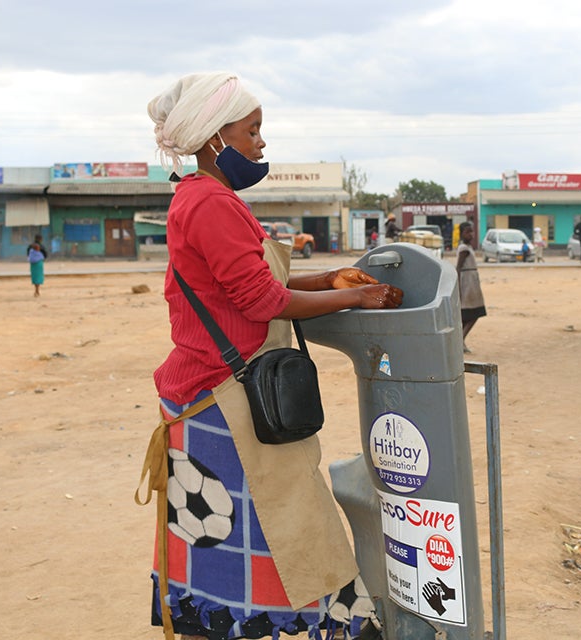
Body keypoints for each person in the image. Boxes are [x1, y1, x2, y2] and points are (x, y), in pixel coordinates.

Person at [140, 71, 403, 640]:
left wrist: (331, 277)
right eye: (252, 131)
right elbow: (260, 299)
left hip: (204, 392)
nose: (261, 144)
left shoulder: (201, 196)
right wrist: (356, 296)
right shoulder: (211, 202)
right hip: (221, 400)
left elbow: (244, 284)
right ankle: (339, 624)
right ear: (215, 137)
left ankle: (219, 623)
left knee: (223, 535)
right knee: (295, 521)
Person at [456, 221, 486, 353]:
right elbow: (458, 268)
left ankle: (460, 340)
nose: (471, 234)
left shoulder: (467, 247)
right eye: (468, 232)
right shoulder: (463, 248)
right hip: (467, 283)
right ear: (462, 233)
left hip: (471, 282)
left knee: (472, 313)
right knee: (473, 313)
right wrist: (458, 287)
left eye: (472, 231)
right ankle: (460, 340)